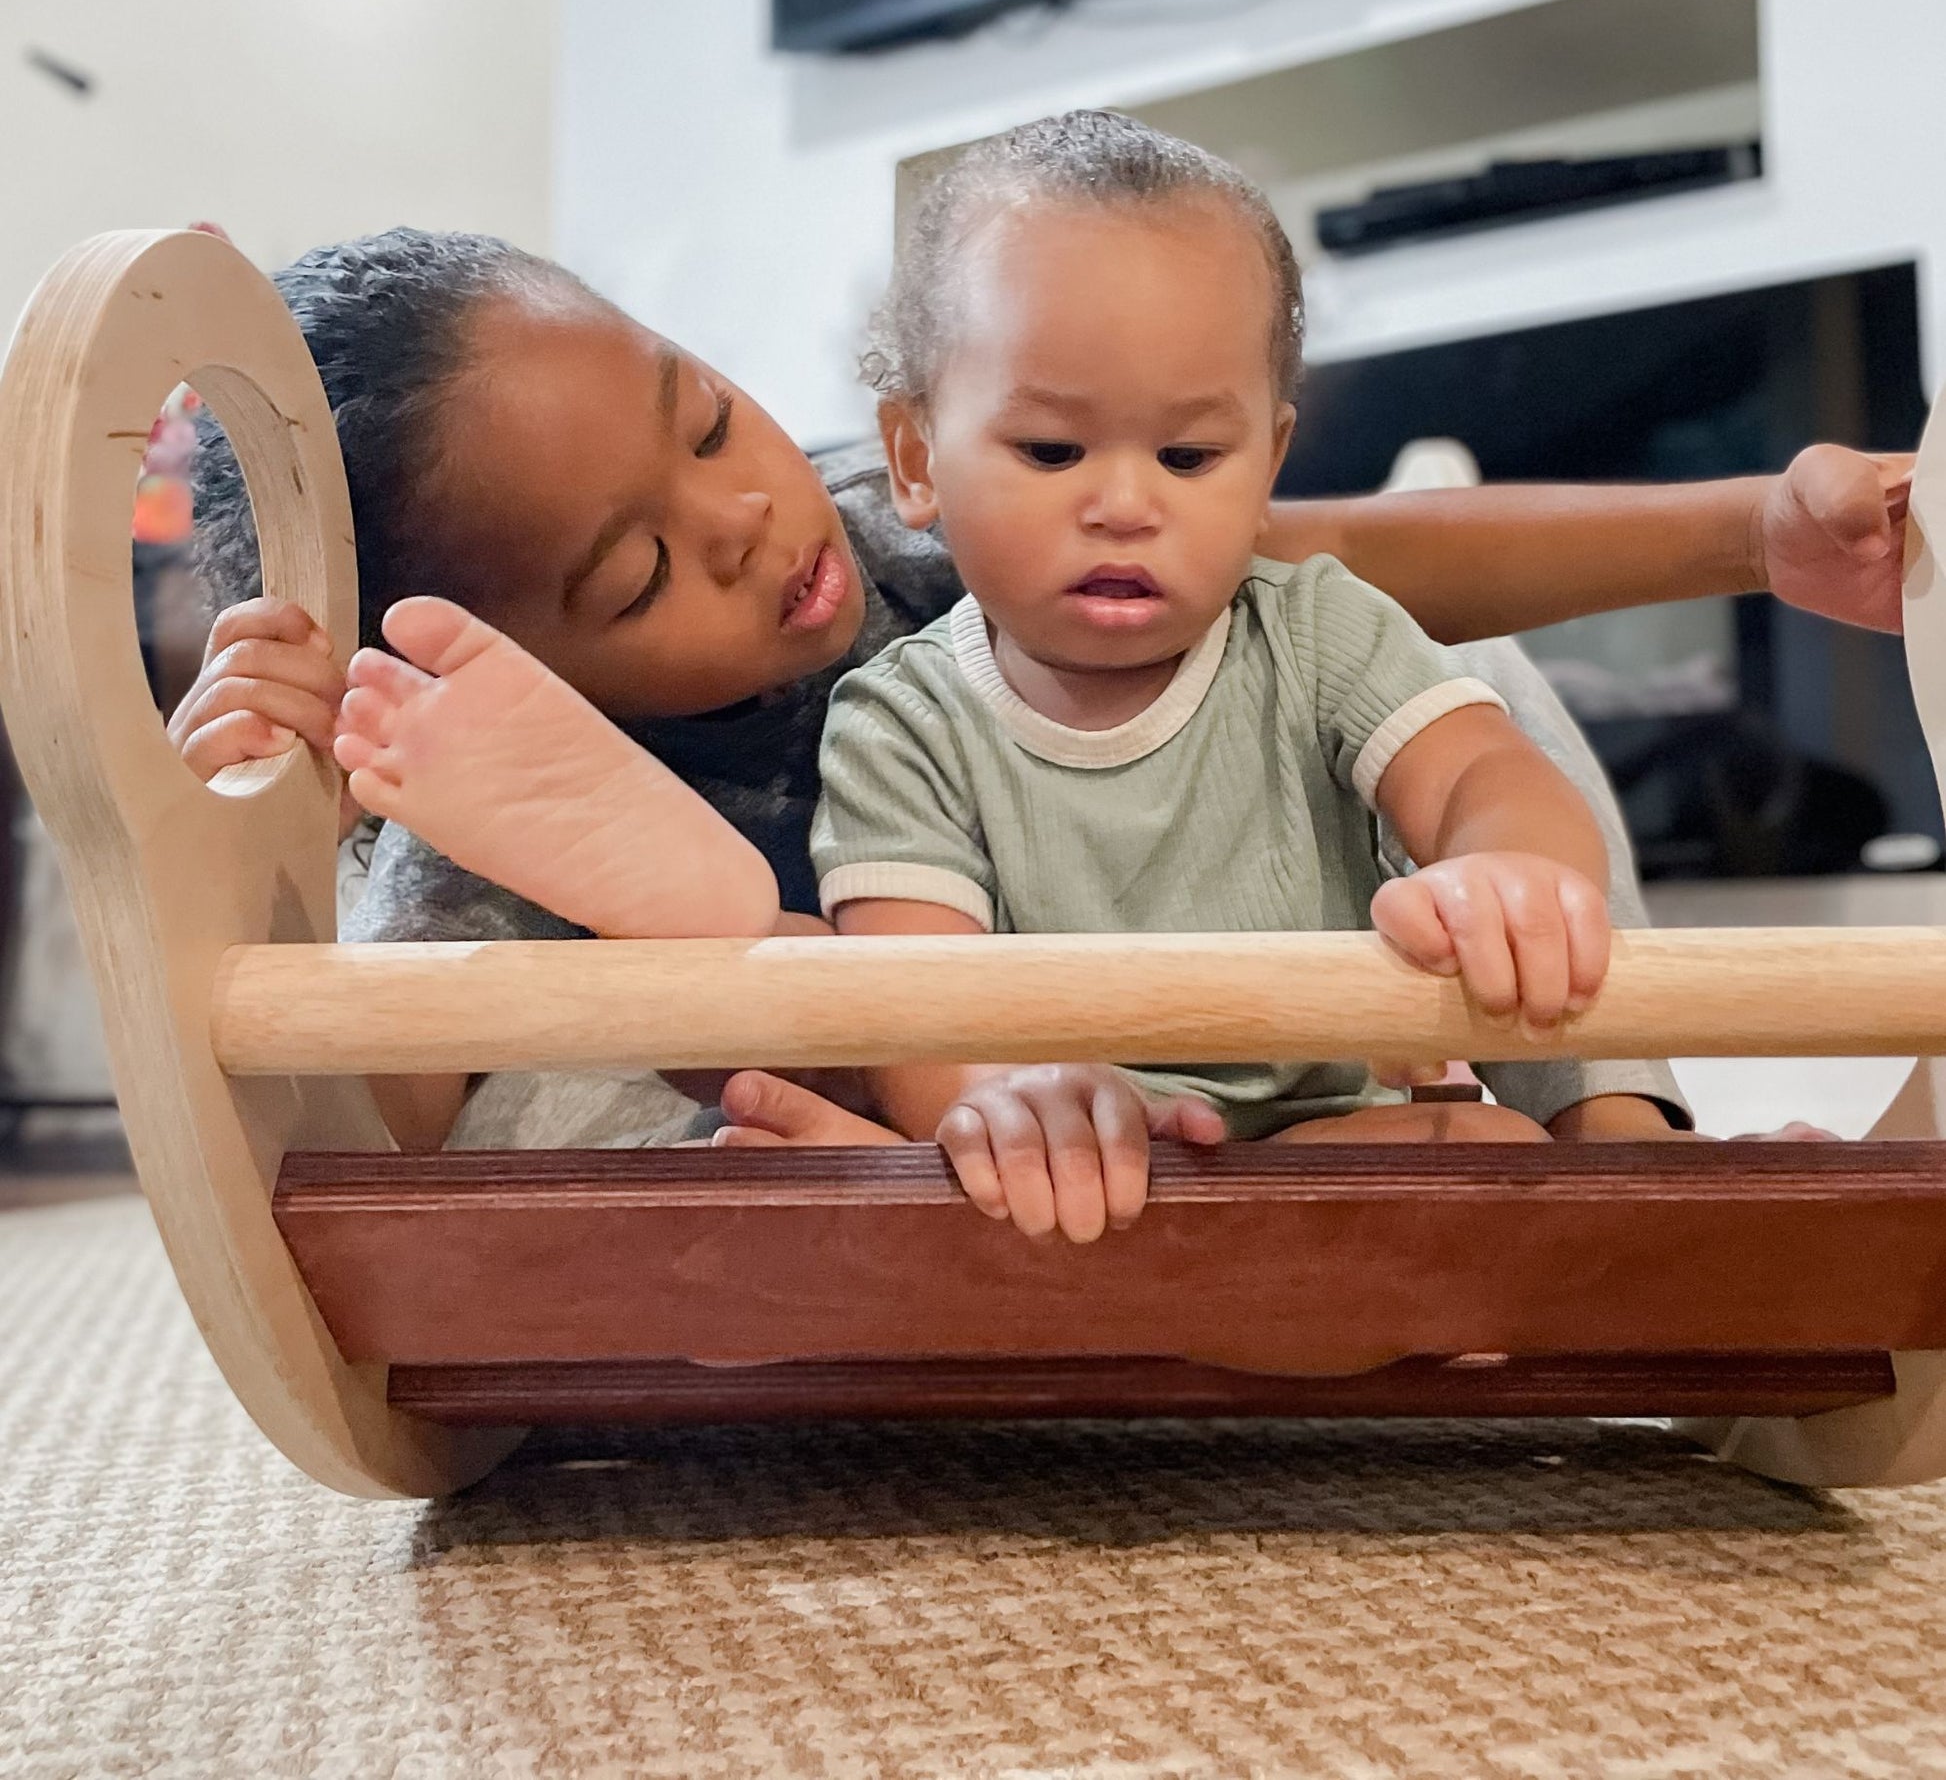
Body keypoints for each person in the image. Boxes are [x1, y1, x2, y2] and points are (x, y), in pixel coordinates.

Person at [171, 216, 1910, 1158]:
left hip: (1223, 1014)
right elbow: (366, 1145)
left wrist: (1747, 529)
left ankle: (1620, 1135)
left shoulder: (914, 515)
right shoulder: (465, 806)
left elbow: (1353, 548)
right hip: (946, 1132)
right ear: (470, 660)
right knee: (542, 1105)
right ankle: (737, 960)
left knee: (1413, 675)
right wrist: (288, 820)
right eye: (636, 576)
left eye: (704, 411)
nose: (744, 513)